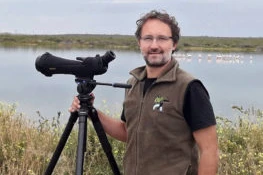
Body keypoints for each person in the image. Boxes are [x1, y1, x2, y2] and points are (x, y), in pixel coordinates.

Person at [69, 10, 219, 175]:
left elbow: (209, 150)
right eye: (148, 38)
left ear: (174, 44)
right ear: (139, 43)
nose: (154, 45)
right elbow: (128, 132)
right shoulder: (133, 84)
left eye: (162, 38)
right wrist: (92, 112)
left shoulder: (189, 87)